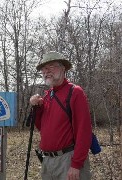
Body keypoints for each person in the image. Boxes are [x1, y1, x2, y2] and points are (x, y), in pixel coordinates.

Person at [30, 51, 92, 180]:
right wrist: (38, 108)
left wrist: (76, 164)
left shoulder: (75, 92)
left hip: (68, 160)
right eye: (44, 68)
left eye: (51, 66)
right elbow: (42, 127)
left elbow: (84, 131)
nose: (46, 71)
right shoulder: (47, 96)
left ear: (63, 68)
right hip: (47, 161)